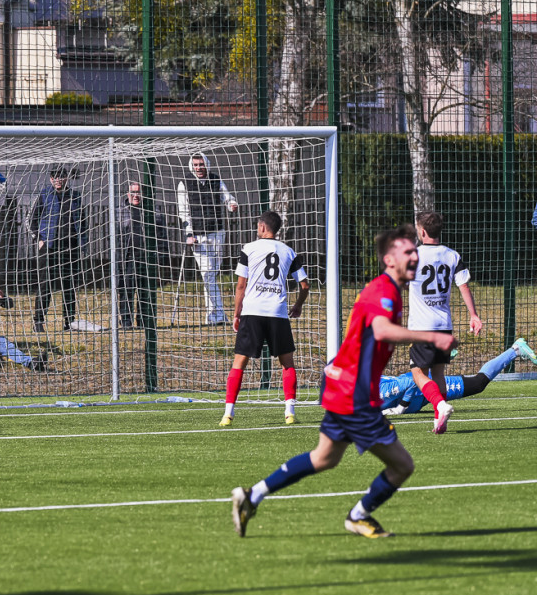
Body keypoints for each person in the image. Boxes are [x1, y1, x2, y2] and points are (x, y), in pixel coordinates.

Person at [231, 225, 457, 539]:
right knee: (402, 466)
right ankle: (357, 516)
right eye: (408, 252)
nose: (415, 257)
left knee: (323, 458)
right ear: (390, 259)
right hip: (354, 394)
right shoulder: (385, 291)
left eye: (414, 251)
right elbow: (381, 330)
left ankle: (251, 495)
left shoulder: (386, 288)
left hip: (340, 384)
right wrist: (431, 336)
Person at [220, 211, 310, 427]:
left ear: (261, 227)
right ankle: (289, 412)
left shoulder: (249, 249)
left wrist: (236, 313)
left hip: (252, 312)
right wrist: (297, 305)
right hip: (277, 313)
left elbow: (241, 285)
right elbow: (305, 285)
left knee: (239, 363)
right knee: (287, 363)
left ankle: (228, 415)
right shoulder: (288, 251)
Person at [407, 211, 482, 435]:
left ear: (421, 231)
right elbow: (464, 286)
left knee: (418, 372)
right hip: (444, 325)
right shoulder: (452, 255)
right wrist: (474, 315)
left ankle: (440, 406)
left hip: (421, 328)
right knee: (438, 373)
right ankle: (439, 422)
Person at [381, 338, 537, 415]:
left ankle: (516, 349)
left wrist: (401, 408)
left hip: (426, 390)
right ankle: (439, 355)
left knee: (478, 384)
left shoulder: (377, 391)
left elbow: (411, 381)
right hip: (422, 397)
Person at [176, 152, 239, 325]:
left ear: (207, 164)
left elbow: (227, 197)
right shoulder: (184, 183)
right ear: (191, 166)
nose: (198, 168)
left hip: (217, 232)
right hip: (198, 236)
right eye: (195, 165)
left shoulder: (215, 180)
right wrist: (189, 234)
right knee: (208, 274)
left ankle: (212, 315)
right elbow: (184, 212)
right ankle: (216, 316)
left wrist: (232, 204)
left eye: (201, 165)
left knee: (212, 273)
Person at [32, 166, 87, 332]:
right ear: (51, 179)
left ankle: (69, 322)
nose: (58, 180)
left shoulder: (75, 196)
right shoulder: (44, 194)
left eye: (61, 177)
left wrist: (82, 243)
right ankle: (38, 321)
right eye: (55, 177)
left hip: (70, 247)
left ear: (66, 178)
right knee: (45, 284)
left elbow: (83, 221)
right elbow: (32, 219)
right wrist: (39, 238)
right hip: (49, 246)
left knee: (68, 285)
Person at [116, 182, 168, 329]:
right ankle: (126, 322)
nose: (136, 195)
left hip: (147, 257)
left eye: (138, 192)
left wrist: (162, 254)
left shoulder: (154, 210)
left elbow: (162, 234)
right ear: (127, 194)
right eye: (133, 192)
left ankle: (144, 322)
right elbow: (114, 237)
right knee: (127, 290)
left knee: (146, 291)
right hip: (128, 257)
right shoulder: (120, 211)